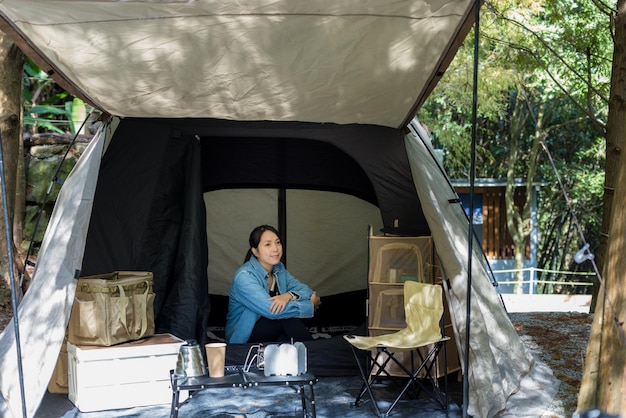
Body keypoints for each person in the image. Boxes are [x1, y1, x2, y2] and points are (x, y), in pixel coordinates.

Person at [225, 225, 322, 344]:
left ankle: (309, 352)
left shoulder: (279, 270)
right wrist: (310, 305)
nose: (275, 249)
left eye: (278, 243)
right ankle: (314, 350)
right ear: (255, 251)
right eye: (268, 244)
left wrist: (288, 296)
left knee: (287, 335)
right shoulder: (244, 277)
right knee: (285, 319)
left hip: (270, 330)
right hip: (244, 336)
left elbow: (306, 290)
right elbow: (271, 310)